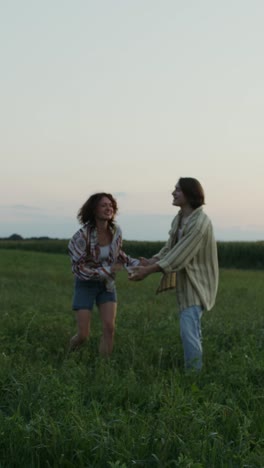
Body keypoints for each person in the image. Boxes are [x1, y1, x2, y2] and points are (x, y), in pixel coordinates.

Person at [129, 177, 219, 371]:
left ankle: (193, 376)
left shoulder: (200, 223)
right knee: (192, 329)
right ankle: (196, 369)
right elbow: (170, 248)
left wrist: (148, 271)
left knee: (188, 331)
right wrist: (151, 260)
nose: (173, 192)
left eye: (177, 190)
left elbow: (179, 255)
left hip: (198, 284)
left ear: (189, 194)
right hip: (186, 283)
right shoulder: (179, 218)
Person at [68, 192, 139, 356]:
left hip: (106, 286)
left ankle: (103, 367)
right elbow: (79, 268)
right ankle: (67, 356)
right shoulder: (81, 236)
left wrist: (139, 264)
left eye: (111, 205)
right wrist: (107, 270)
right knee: (83, 335)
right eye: (103, 205)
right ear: (94, 210)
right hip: (85, 285)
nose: (109, 208)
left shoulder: (116, 231)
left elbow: (118, 255)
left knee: (109, 328)